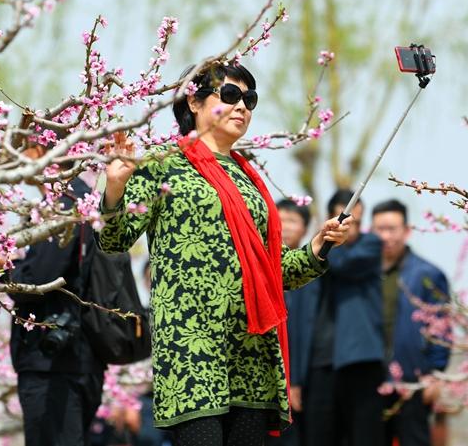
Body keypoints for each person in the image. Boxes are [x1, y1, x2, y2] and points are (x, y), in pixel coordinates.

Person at [98, 63, 352, 446]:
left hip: (250, 352)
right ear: (194, 102)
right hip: (192, 348)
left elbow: (274, 270)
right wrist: (116, 189)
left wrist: (319, 245)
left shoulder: (250, 180)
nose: (242, 107)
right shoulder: (161, 164)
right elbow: (114, 241)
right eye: (230, 95)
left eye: (250, 99)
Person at [0, 133, 105, 446]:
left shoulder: (64, 206)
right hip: (78, 357)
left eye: (24, 150)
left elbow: (32, 284)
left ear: (38, 151)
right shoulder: (84, 201)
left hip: (54, 361)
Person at [290, 189, 386, 446]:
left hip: (359, 360)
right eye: (345, 221)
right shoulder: (312, 259)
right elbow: (298, 320)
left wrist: (328, 243)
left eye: (356, 222)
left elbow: (344, 264)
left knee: (364, 436)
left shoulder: (369, 245)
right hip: (320, 363)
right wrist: (295, 379)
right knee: (318, 435)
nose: (350, 229)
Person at [371, 199, 451, 446]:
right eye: (379, 229)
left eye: (391, 229)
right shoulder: (364, 272)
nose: (385, 236)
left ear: (406, 231)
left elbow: (442, 328)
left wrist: (435, 373)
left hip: (414, 379)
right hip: (371, 379)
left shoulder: (427, 274)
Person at [268, 198, 313, 446]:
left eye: (292, 221)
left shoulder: (313, 273)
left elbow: (304, 332)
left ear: (305, 228)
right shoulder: (261, 268)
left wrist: (295, 380)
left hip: (305, 380)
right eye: (280, 220)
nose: (284, 227)